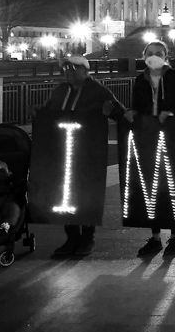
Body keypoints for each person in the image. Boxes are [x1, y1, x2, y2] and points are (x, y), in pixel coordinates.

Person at [44, 55, 126, 257]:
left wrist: (109, 112)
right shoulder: (60, 91)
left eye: (73, 69)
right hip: (64, 150)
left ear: (85, 70)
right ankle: (71, 237)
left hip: (89, 152)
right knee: (65, 197)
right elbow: (49, 112)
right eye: (66, 70)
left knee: (86, 194)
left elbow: (120, 113)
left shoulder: (98, 91)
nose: (69, 73)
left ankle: (87, 238)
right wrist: (39, 112)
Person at [127, 41, 175, 259]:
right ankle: (155, 237)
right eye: (150, 53)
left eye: (159, 53)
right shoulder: (141, 80)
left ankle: (174, 236)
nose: (154, 56)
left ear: (166, 56)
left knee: (170, 185)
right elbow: (138, 108)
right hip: (148, 137)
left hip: (171, 136)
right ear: (144, 56)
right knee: (150, 186)